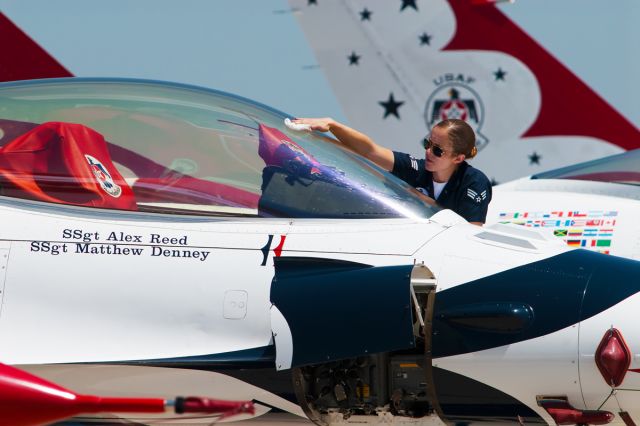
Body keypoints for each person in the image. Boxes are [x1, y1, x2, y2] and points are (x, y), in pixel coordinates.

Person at [292, 117, 492, 225]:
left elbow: (469, 234)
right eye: (427, 143)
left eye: (437, 150)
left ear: (458, 158)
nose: (428, 152)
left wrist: (423, 202)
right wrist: (333, 125)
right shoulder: (417, 169)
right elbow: (371, 150)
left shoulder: (473, 183)